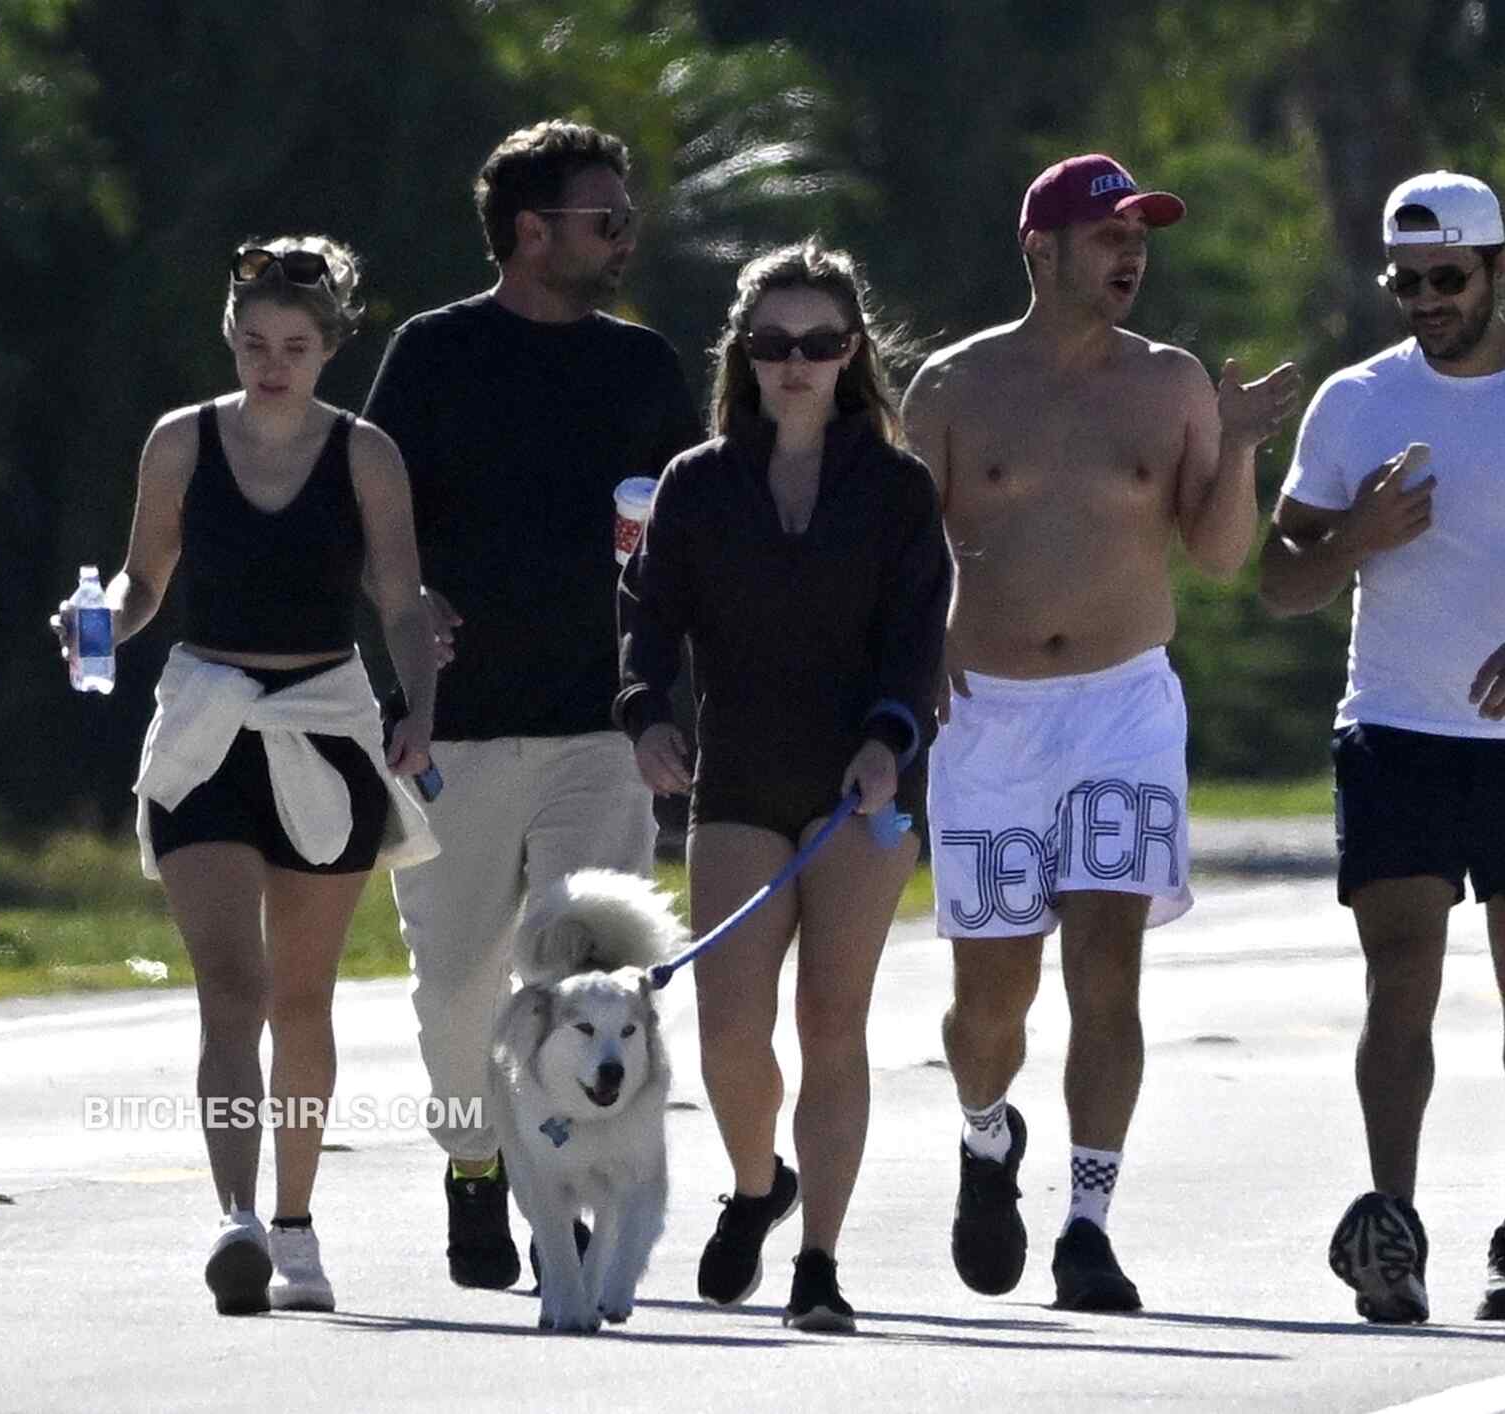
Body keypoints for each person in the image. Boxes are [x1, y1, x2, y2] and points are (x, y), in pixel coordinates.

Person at [900, 153, 1300, 1311]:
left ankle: (1087, 1224)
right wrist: (904, 668)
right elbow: (903, 554)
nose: (1131, 254)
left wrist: (1237, 445)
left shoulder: (1171, 383)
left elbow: (1216, 554)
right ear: (1041, 249)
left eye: (1140, 236)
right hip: (987, 715)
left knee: (1107, 965)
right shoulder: (952, 385)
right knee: (991, 1001)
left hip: (1121, 708)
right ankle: (986, 1135)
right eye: (1108, 235)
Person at [1258, 172, 1505, 1325]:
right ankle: (1393, 1225)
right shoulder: (1355, 400)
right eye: (1405, 281)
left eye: (1446, 278)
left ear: (1498, 267)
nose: (1425, 300)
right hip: (1393, 726)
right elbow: (1280, 579)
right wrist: (1356, 535)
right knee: (1399, 977)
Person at [50, 236, 440, 1315]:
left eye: (296, 348)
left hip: (323, 720)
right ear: (231, 337)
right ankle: (236, 1219)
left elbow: (401, 601)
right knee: (232, 988)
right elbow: (142, 581)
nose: (273, 365)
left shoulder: (366, 455)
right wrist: (97, 621)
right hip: (208, 722)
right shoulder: (181, 440)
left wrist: (418, 713)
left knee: (303, 998)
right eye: (256, 343)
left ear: (329, 350)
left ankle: (296, 1224)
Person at [361, 119, 704, 1291]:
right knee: (458, 988)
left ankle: (578, 1183)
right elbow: (367, 516)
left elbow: (695, 529)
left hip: (600, 724)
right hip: (450, 726)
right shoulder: (432, 352)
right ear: (529, 231)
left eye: (627, 218)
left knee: (584, 982)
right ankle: (475, 1161)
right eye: (605, 218)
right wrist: (409, 596)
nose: (624, 237)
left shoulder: (642, 367)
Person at [615, 239, 949, 1331]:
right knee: (727, 1029)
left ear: (851, 353)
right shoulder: (696, 484)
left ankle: (819, 1264)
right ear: (743, 354)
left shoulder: (897, 488)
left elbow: (916, 638)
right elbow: (647, 619)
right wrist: (645, 715)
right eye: (772, 344)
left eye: (817, 343)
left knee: (831, 1022)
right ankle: (759, 1186)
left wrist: (889, 737)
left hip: (864, 780)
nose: (794, 363)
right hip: (739, 775)